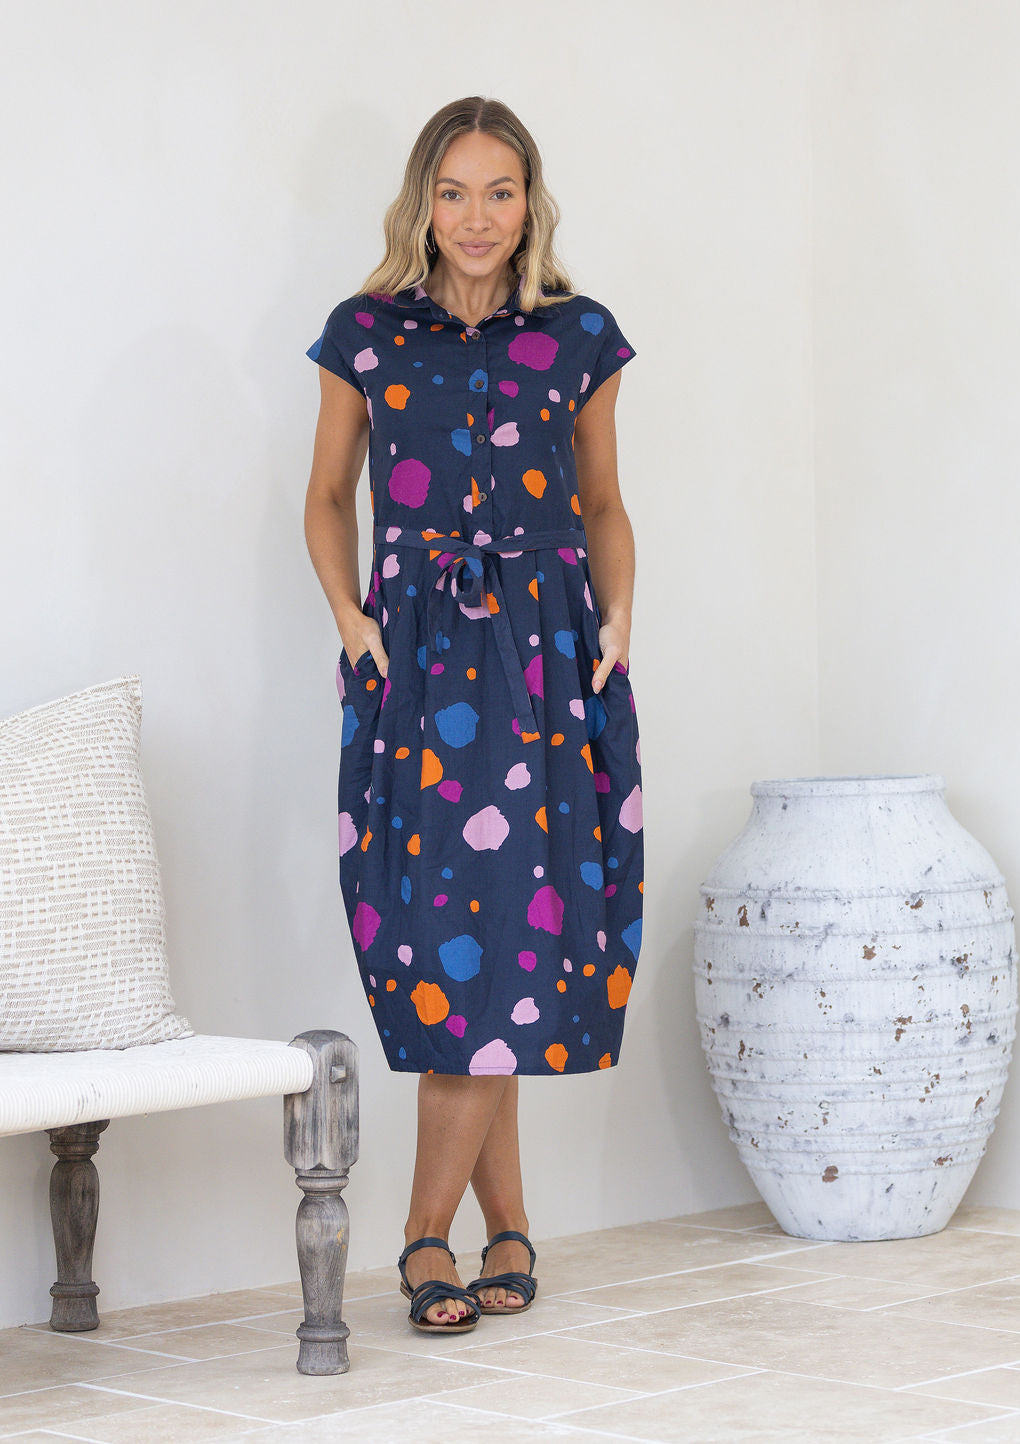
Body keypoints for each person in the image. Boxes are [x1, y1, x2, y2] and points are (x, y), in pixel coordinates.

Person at [304, 96, 644, 1334]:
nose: (478, 218)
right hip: (419, 659)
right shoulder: (367, 333)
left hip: (552, 657)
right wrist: (353, 623)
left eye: (501, 192)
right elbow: (325, 498)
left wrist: (616, 619)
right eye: (455, 192)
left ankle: (443, 1238)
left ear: (531, 200)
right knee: (460, 945)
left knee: (513, 941)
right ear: (420, 202)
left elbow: (603, 502)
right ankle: (469, 1228)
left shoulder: (578, 335)